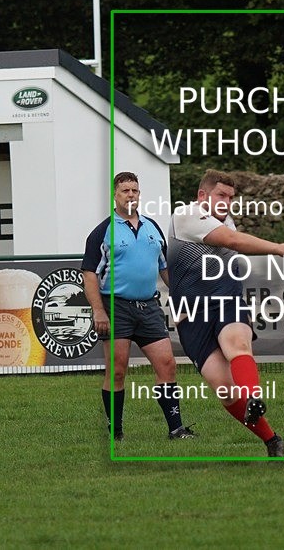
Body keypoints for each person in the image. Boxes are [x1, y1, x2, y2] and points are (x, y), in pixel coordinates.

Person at [167, 169, 284, 457]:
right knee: (225, 389)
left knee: (237, 344)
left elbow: (232, 239)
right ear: (202, 195)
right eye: (221, 195)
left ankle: (254, 397)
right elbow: (232, 241)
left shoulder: (225, 219)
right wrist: (278, 248)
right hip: (192, 314)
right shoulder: (185, 215)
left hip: (227, 300)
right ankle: (272, 440)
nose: (227, 202)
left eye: (231, 197)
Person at [82, 171, 196, 440]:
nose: (130, 195)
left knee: (167, 364)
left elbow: (165, 269)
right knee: (118, 370)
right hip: (115, 307)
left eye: (134, 190)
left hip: (149, 306)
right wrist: (99, 310)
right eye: (125, 191)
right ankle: (116, 432)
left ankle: (176, 429)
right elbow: (89, 274)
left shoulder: (152, 227)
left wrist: (184, 297)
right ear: (115, 195)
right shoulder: (103, 232)